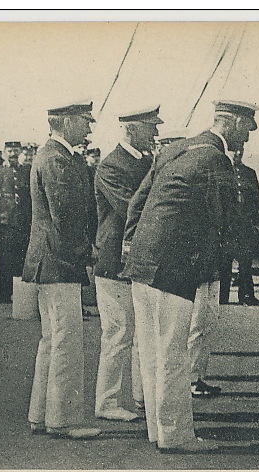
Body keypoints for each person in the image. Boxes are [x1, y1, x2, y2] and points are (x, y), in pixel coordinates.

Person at [122, 99, 256, 453]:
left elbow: (138, 201)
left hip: (144, 262)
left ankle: (158, 429)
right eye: (247, 126)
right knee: (172, 352)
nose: (250, 133)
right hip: (173, 268)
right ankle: (177, 437)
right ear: (229, 123)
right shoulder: (216, 159)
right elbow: (231, 222)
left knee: (151, 351)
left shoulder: (177, 148)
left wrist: (132, 246)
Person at [22, 100, 100, 439]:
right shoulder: (57, 159)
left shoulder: (56, 156)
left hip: (51, 261)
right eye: (84, 120)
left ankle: (41, 414)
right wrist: (87, 252)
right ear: (66, 122)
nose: (89, 127)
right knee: (66, 341)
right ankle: (63, 420)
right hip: (59, 261)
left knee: (52, 341)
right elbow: (65, 217)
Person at [92, 105, 161, 422]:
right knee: (118, 334)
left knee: (141, 334)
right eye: (150, 128)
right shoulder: (111, 166)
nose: (156, 133)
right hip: (115, 261)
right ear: (131, 130)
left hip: (138, 260)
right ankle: (106, 403)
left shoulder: (146, 162)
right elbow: (131, 208)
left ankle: (142, 398)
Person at [221, 141, 259, 305]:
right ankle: (222, 296)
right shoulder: (223, 172)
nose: (238, 153)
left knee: (246, 263)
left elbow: (257, 201)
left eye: (241, 150)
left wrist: (258, 224)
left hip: (245, 226)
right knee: (224, 263)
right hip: (228, 226)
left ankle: (247, 296)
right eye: (234, 150)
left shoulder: (249, 173)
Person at [0, 141, 32, 303]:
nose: (13, 154)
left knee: (22, 258)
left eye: (16, 151)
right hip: (5, 223)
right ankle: (4, 293)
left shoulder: (26, 172)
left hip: (23, 222)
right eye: (10, 151)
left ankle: (22, 294)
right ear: (4, 153)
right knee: (5, 260)